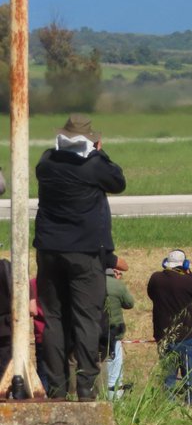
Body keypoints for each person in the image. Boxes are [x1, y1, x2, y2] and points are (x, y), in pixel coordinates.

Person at [33, 114, 126, 399]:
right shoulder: (94, 165)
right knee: (86, 319)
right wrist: (101, 151)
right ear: (91, 140)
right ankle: (86, 386)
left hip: (49, 249)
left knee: (53, 319)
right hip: (85, 252)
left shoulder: (47, 162)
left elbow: (47, 160)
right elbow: (118, 181)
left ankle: (57, 388)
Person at [146, 249, 192, 399]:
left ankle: (167, 403)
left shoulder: (155, 279)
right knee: (190, 374)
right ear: (184, 264)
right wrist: (191, 274)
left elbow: (151, 294)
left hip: (163, 334)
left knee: (168, 376)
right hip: (185, 335)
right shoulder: (188, 281)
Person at [101, 265, 135, 398]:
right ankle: (115, 401)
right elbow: (129, 303)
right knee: (115, 373)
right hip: (114, 332)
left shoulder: (91, 283)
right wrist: (118, 281)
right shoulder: (117, 285)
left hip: (93, 333)